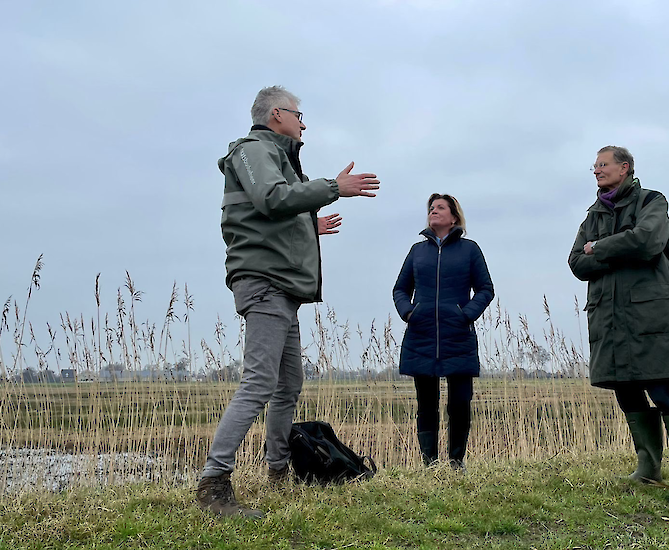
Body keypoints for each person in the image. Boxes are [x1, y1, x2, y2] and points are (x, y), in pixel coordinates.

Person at [197, 86, 380, 518]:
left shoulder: (275, 154)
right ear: (276, 114)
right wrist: (334, 187)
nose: (303, 126)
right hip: (265, 284)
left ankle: (278, 473)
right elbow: (272, 198)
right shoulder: (253, 149)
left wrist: (307, 228)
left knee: (288, 385)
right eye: (300, 117)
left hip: (282, 286)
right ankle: (213, 483)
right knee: (259, 383)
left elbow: (270, 214)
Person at [568, 146, 669, 506]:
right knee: (624, 388)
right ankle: (649, 466)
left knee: (663, 387)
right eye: (594, 166)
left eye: (603, 165)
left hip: (648, 315)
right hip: (609, 318)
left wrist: (601, 249)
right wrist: (603, 250)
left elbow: (648, 242)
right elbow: (577, 263)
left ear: (624, 168)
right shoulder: (592, 216)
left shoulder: (651, 202)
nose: (596, 171)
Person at [393, 193, 494, 470]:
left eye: (440, 208)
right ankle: (430, 463)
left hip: (458, 336)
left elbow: (486, 289)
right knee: (426, 404)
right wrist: (410, 313)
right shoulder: (417, 251)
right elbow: (400, 289)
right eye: (431, 208)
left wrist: (466, 314)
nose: (433, 211)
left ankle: (456, 461)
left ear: (453, 217)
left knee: (460, 403)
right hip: (421, 336)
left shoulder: (469, 250)